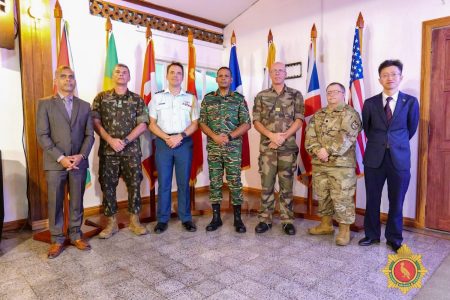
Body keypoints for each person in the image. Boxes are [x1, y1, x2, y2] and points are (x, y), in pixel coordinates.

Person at [358, 60, 419, 252]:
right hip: (374, 158)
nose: (390, 78)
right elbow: (367, 129)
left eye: (394, 74)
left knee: (396, 200)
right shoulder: (370, 103)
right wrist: (381, 143)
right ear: (379, 79)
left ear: (400, 77)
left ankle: (394, 238)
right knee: (373, 198)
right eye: (385, 75)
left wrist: (393, 143)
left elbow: (411, 128)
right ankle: (372, 235)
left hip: (399, 159)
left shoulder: (410, 102)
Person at [36, 66, 94, 258]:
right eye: (63, 77)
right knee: (55, 202)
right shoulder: (45, 104)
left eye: (71, 77)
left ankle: (76, 234)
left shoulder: (84, 106)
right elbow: (42, 135)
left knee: (77, 201)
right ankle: (57, 239)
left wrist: (81, 156)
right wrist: (61, 158)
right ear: (56, 80)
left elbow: (89, 135)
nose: (68, 80)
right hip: (55, 163)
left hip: (78, 162)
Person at [92, 63, 149, 238]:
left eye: (125, 72)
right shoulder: (101, 98)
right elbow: (95, 122)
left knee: (134, 185)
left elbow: (143, 124)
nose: (121, 74)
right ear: (113, 75)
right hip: (108, 151)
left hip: (131, 152)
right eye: (117, 72)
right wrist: (110, 140)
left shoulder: (137, 99)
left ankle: (134, 221)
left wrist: (124, 141)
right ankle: (111, 224)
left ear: (129, 77)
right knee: (108, 186)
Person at [305, 82, 361, 246]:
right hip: (320, 163)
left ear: (343, 94)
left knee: (342, 198)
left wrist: (327, 151)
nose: (332, 95)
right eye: (329, 92)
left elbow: (347, 137)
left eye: (336, 92)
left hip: (341, 166)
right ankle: (326, 225)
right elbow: (310, 136)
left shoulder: (350, 113)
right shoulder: (319, 114)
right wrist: (317, 151)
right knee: (323, 195)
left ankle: (344, 231)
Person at [252, 61, 304, 235]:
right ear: (270, 74)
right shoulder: (261, 96)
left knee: (286, 186)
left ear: (285, 73)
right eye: (274, 71)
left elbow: (299, 120)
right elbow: (256, 122)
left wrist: (282, 137)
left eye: (281, 71)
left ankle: (287, 220)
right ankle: (265, 219)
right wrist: (271, 136)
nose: (277, 74)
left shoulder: (296, 95)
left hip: (287, 149)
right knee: (266, 185)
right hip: (267, 149)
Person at [148, 62, 199, 233]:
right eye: (172, 72)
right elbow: (151, 124)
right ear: (167, 75)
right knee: (164, 182)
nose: (175, 75)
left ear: (182, 77)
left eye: (179, 73)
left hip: (183, 143)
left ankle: (186, 218)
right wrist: (166, 137)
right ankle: (162, 219)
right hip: (163, 143)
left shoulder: (190, 98)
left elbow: (195, 123)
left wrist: (180, 136)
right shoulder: (157, 97)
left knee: (184, 182)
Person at [199, 67, 251, 233]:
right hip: (214, 148)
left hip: (232, 149)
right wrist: (214, 136)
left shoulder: (239, 99)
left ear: (231, 79)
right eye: (220, 76)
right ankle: (216, 218)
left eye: (226, 76)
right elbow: (202, 122)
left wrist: (229, 137)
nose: (223, 78)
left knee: (235, 182)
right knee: (215, 182)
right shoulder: (208, 99)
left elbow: (246, 124)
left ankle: (237, 218)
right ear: (216, 79)